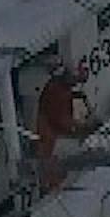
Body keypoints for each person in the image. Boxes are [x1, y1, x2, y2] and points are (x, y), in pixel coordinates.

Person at [30, 58, 96, 192]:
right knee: (51, 161)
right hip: (50, 133)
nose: (76, 83)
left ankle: (53, 182)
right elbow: (61, 121)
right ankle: (50, 187)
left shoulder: (60, 87)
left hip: (53, 128)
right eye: (74, 79)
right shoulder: (57, 92)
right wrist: (82, 126)